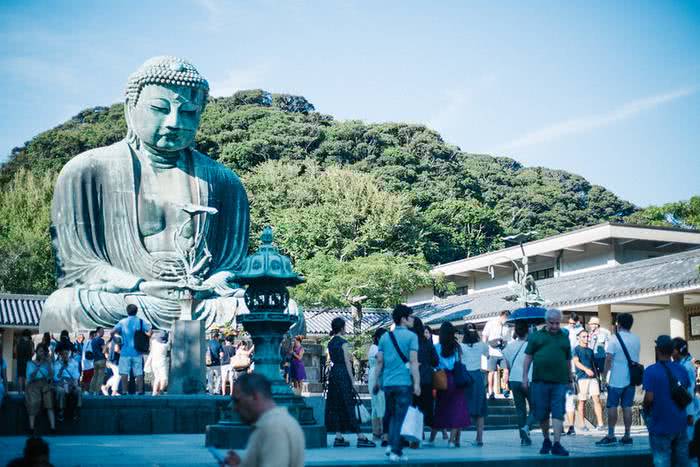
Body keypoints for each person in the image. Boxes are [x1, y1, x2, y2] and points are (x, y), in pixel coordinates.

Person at [40, 56, 251, 334]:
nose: (174, 122)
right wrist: (139, 284)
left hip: (201, 302)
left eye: (188, 113)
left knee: (282, 310)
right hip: (129, 299)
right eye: (159, 108)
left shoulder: (224, 181)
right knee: (62, 306)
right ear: (131, 108)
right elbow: (74, 266)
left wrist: (210, 285)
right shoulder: (88, 170)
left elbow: (234, 265)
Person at [221, 373, 304, 467]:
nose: (234, 408)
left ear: (255, 396)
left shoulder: (273, 428)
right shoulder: (281, 421)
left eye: (237, 401)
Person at [522, 308, 572, 456]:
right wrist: (525, 377)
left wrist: (570, 377)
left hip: (559, 381)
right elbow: (528, 358)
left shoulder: (564, 337)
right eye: (552, 323)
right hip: (540, 381)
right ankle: (546, 439)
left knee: (558, 412)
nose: (555, 326)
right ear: (546, 321)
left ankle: (557, 443)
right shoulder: (536, 337)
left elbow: (568, 359)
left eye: (557, 323)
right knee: (542, 413)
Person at [374, 304, 420, 462]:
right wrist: (417, 384)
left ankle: (392, 446)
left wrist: (377, 381)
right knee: (400, 417)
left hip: (388, 382)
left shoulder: (385, 337)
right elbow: (413, 361)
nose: (413, 319)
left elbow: (379, 361)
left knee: (392, 415)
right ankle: (395, 450)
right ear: (403, 319)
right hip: (403, 382)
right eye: (411, 316)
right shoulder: (412, 337)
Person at [324, 317, 376, 448]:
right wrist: (352, 380)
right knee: (348, 403)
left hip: (334, 373)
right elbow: (348, 362)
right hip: (343, 373)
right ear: (342, 328)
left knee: (335, 404)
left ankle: (338, 436)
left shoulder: (330, 343)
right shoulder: (343, 342)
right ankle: (360, 436)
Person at [643, 335, 691, 467]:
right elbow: (686, 392)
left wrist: (645, 409)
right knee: (682, 462)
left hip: (660, 424)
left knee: (662, 461)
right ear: (672, 351)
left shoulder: (650, 371)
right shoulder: (681, 369)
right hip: (680, 422)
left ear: (657, 350)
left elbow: (649, 398)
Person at [596, 312, 640, 446]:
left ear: (618, 324)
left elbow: (608, 359)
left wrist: (603, 377)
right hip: (631, 379)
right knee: (627, 407)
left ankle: (611, 434)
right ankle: (627, 435)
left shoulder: (614, 339)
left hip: (616, 378)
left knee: (612, 406)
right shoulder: (636, 339)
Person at [429, 321, 471, 447]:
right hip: (455, 379)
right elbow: (459, 362)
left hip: (442, 379)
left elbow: (434, 363)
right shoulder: (456, 347)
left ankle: (431, 439)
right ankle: (452, 441)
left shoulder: (436, 347)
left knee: (440, 409)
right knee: (457, 410)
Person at [503, 320, 533, 445]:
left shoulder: (509, 346)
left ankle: (523, 438)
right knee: (535, 407)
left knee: (520, 410)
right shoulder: (532, 345)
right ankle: (527, 427)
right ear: (528, 331)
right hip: (529, 379)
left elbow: (507, 365)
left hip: (514, 379)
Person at [113, 304, 152, 395]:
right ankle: (140, 391)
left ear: (127, 311)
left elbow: (112, 332)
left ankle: (124, 391)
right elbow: (150, 331)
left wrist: (117, 340)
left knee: (124, 372)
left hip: (125, 352)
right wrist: (146, 336)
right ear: (136, 311)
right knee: (138, 373)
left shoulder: (122, 322)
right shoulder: (141, 322)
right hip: (137, 352)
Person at [412, 318, 438, 447]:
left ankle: (417, 434)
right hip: (427, 379)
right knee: (426, 407)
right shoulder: (427, 343)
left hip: (411, 379)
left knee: (413, 407)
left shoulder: (409, 342)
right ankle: (429, 434)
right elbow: (435, 361)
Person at [461, 323, 488, 446]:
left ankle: (457, 437)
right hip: (477, 376)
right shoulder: (482, 345)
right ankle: (479, 438)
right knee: (480, 408)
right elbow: (487, 356)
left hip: (465, 376)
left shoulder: (460, 346)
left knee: (462, 406)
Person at [573, 328, 604, 430]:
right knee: (582, 401)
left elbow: (595, 365)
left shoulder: (591, 351)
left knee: (597, 399)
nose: (586, 338)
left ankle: (600, 424)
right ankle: (582, 425)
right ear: (579, 338)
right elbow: (576, 362)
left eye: (587, 336)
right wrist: (586, 370)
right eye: (583, 336)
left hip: (593, 378)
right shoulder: (576, 349)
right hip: (582, 378)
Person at [25, 344, 56, 434]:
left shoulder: (48, 363)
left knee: (49, 402)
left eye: (43, 351)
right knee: (33, 402)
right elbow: (30, 377)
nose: (42, 353)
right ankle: (31, 427)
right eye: (40, 351)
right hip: (33, 384)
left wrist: (49, 364)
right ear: (36, 352)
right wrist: (38, 366)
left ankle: (52, 427)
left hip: (45, 384)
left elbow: (51, 376)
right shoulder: (30, 363)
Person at [483, 310, 512, 399]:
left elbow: (508, 340)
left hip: (503, 351)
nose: (506, 320)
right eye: (505, 318)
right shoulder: (491, 323)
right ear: (502, 316)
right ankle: (491, 392)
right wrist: (485, 350)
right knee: (491, 372)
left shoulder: (507, 326)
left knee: (506, 370)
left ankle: (505, 387)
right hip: (492, 351)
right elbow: (485, 336)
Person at [672, 337, 697, 443]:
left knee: (686, 443)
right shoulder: (680, 364)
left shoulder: (687, 367)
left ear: (677, 351)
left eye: (672, 350)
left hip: (687, 410)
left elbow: (690, 390)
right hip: (681, 409)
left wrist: (690, 413)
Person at [563, 313, 584, 435]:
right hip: (567, 373)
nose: (571, 325)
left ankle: (571, 427)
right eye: (570, 323)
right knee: (567, 401)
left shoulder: (580, 331)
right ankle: (567, 427)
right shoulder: (566, 330)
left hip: (569, 372)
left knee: (568, 401)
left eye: (573, 323)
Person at [367, 327, 387, 443]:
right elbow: (381, 360)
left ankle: (377, 431)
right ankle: (381, 431)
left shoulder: (374, 347)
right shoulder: (375, 348)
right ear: (378, 338)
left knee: (377, 404)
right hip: (377, 375)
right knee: (380, 403)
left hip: (374, 374)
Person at [53, 347, 81, 421]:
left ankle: (76, 410)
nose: (65, 356)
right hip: (60, 383)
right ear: (60, 355)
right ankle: (61, 411)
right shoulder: (56, 364)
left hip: (70, 383)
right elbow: (56, 378)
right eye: (63, 354)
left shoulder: (74, 363)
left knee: (78, 390)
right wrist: (62, 369)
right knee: (60, 390)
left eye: (66, 354)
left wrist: (73, 384)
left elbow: (76, 376)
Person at [146, 330, 170, 395]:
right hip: (161, 363)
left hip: (154, 363)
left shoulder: (154, 343)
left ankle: (154, 392)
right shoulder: (165, 346)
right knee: (163, 377)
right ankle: (161, 391)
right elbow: (169, 343)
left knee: (157, 378)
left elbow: (153, 337)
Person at [88, 327, 106, 395]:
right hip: (101, 359)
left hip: (95, 360)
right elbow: (104, 350)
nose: (103, 332)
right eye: (102, 331)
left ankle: (91, 390)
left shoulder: (93, 340)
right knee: (100, 376)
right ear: (98, 332)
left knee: (95, 376)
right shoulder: (101, 340)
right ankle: (97, 391)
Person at [16, 329, 35, 393]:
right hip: (28, 361)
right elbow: (33, 352)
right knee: (27, 377)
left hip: (20, 361)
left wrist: (18, 357)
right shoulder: (30, 342)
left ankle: (20, 392)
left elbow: (14, 351)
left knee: (20, 376)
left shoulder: (18, 341)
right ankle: (26, 392)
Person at [207, 329, 224, 394]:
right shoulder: (218, 344)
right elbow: (222, 354)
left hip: (209, 363)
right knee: (218, 377)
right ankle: (217, 391)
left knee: (209, 378)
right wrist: (220, 357)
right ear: (217, 337)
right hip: (217, 363)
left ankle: (211, 392)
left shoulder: (208, 343)